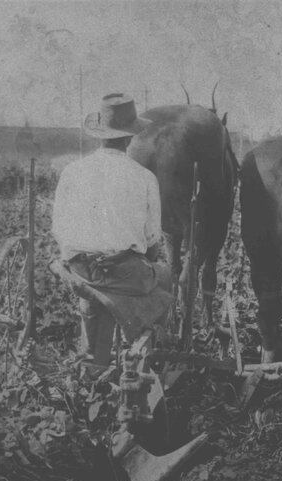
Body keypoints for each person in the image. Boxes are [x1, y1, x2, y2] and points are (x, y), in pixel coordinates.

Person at [51, 93, 173, 375]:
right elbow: (152, 241)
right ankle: (149, 354)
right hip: (125, 275)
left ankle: (94, 356)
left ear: (99, 135)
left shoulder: (71, 171)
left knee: (94, 292)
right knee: (164, 276)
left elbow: (59, 230)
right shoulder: (144, 177)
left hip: (80, 273)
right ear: (130, 138)